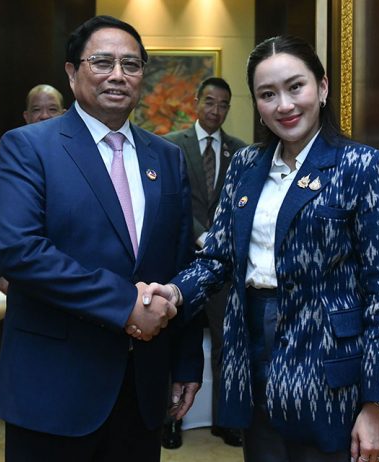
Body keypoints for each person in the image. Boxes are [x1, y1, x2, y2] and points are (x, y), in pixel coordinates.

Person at [141, 35, 379, 462]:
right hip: (252, 353)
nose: (284, 105)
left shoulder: (361, 165)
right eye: (268, 94)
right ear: (257, 105)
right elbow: (218, 256)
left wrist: (378, 403)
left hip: (328, 369)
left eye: (295, 87)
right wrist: (174, 292)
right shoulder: (245, 165)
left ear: (322, 87)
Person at [0, 15, 202, 462]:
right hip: (53, 388)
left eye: (131, 64)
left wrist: (186, 362)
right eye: (102, 62)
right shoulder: (28, 147)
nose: (118, 75)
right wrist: (125, 304)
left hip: (142, 387)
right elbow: (20, 252)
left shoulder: (167, 157)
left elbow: (181, 264)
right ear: (72, 72)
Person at [161, 76, 246, 449]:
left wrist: (220, 239)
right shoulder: (171, 146)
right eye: (209, 102)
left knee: (228, 342)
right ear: (196, 102)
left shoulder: (240, 151)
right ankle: (171, 420)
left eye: (223, 104)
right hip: (181, 260)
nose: (216, 110)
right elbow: (171, 199)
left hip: (222, 266)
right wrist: (200, 234)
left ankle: (226, 420)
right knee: (174, 339)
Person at [0, 84, 68, 296]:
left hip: (73, 272)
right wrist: (2, 272)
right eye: (36, 110)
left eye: (52, 109)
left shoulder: (79, 154)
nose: (44, 115)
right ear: (26, 117)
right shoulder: (14, 153)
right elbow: (5, 224)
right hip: (29, 270)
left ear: (64, 114)